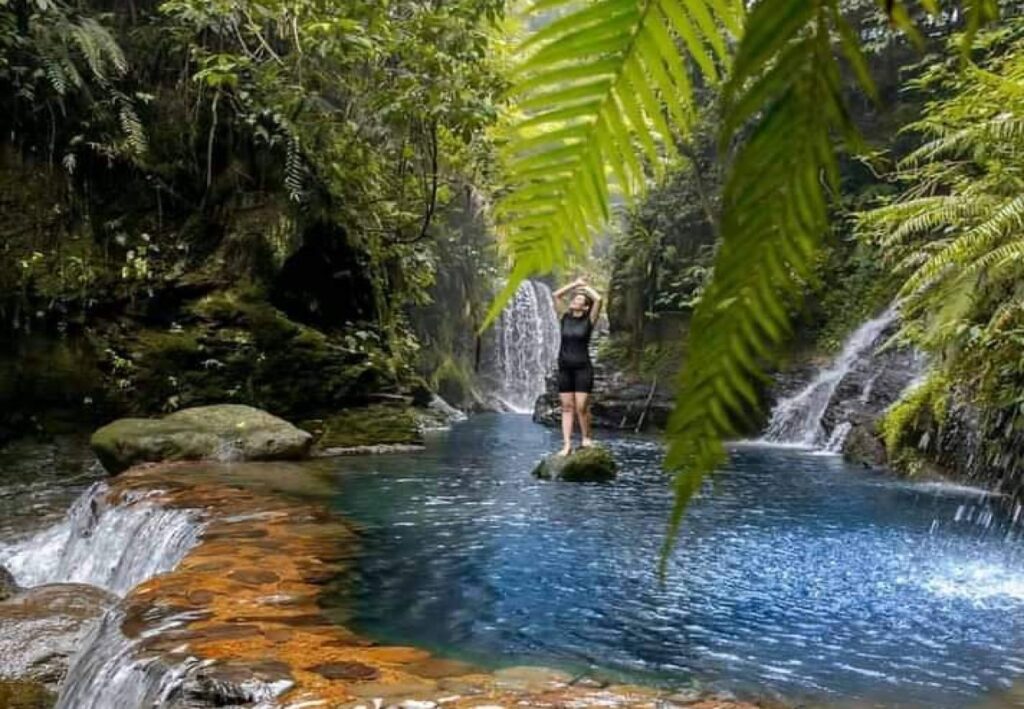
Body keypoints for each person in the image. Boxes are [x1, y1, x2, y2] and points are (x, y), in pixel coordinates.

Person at [552, 277, 602, 456]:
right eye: (574, 299)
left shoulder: (589, 321)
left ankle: (586, 438)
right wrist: (576, 283)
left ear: (585, 307)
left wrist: (586, 287)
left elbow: (598, 299)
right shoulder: (564, 318)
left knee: (581, 406)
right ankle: (566, 445)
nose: (574, 301)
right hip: (564, 367)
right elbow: (556, 295)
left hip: (583, 368)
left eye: (579, 300)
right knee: (566, 407)